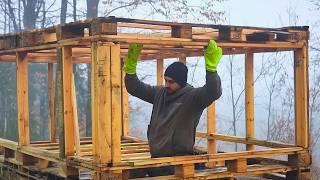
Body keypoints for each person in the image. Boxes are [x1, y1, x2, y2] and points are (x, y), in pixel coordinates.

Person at [123, 40, 222, 178]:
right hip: (157, 161)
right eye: (166, 80)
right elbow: (135, 88)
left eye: (171, 82)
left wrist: (211, 70)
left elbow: (213, 92)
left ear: (181, 82)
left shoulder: (193, 97)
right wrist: (131, 68)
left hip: (178, 164)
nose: (167, 84)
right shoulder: (160, 93)